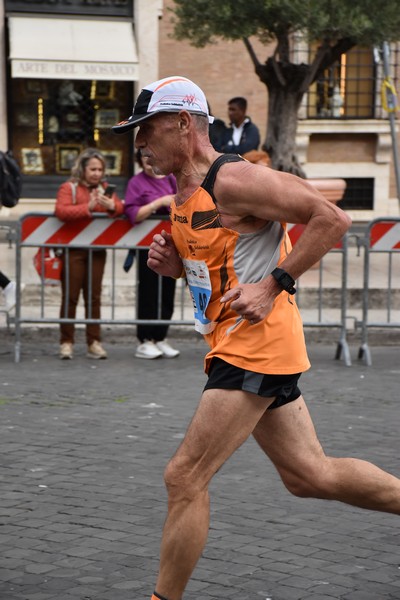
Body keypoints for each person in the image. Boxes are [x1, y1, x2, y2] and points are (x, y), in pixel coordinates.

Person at [112, 76, 400, 600]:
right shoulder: (185, 191)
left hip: (255, 344)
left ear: (182, 123)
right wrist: (178, 267)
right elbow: (221, 264)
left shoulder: (234, 179)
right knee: (309, 476)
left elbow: (331, 217)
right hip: (236, 344)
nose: (139, 144)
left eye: (146, 130)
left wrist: (274, 284)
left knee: (184, 477)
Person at [55, 148, 124, 360]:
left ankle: (94, 342)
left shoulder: (105, 188)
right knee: (71, 297)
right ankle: (66, 342)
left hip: (97, 251)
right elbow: (61, 210)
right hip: (73, 250)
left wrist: (112, 205)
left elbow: (120, 207)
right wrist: (89, 206)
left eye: (100, 169)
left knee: (94, 297)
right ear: (82, 169)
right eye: (92, 169)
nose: (96, 173)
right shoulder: (69, 187)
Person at [124, 150, 179, 359]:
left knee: (168, 290)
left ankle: (160, 337)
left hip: (170, 245)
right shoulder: (135, 183)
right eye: (144, 159)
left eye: (152, 158)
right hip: (146, 246)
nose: (149, 163)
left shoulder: (171, 179)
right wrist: (159, 203)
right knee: (148, 291)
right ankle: (145, 339)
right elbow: (134, 215)